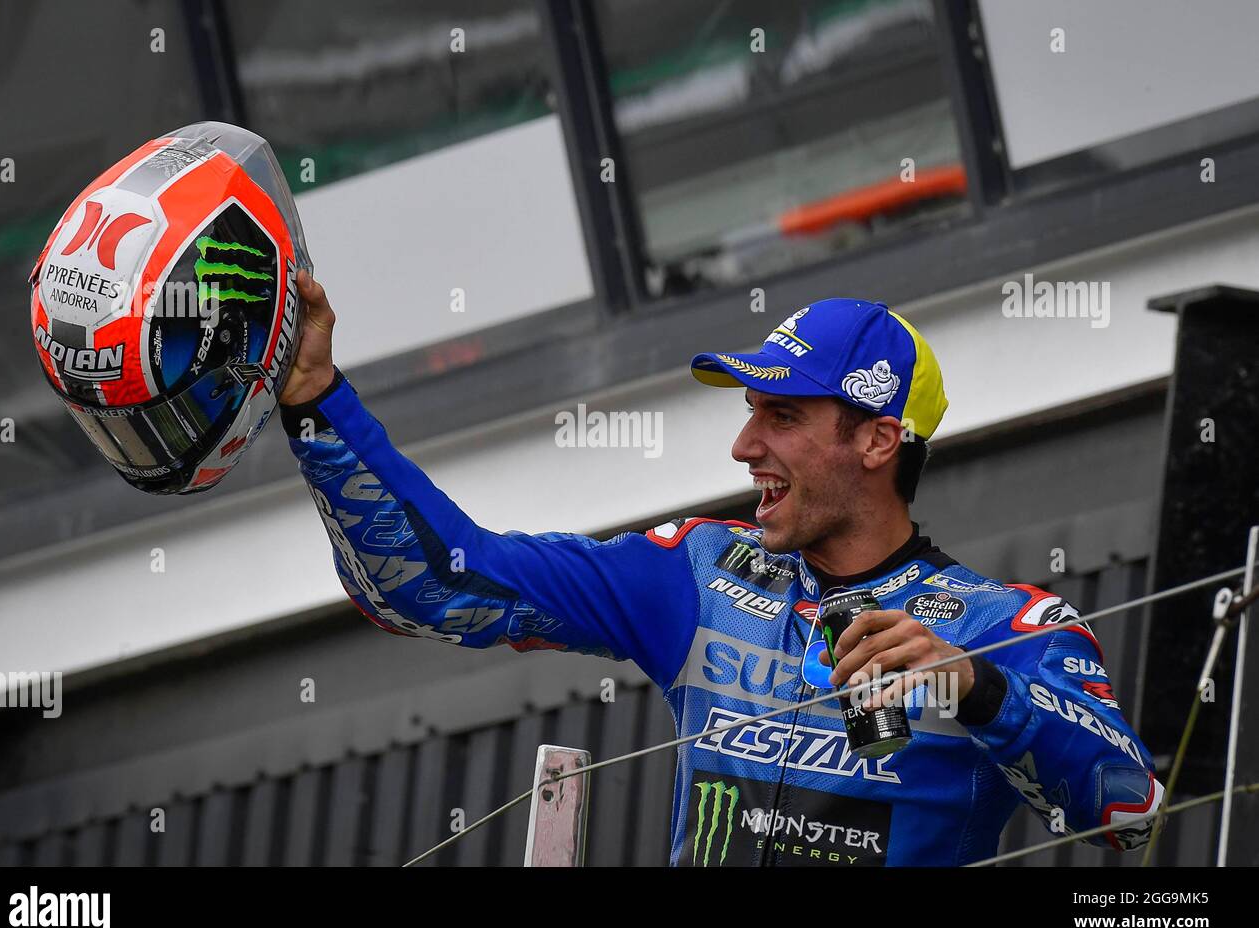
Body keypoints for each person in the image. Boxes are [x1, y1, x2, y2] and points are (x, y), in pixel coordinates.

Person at [280, 275, 1162, 867]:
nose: (745, 447)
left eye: (781, 414)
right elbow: (434, 584)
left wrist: (978, 691)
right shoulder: (700, 570)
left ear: (877, 439)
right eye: (749, 413)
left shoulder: (1000, 627)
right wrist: (320, 402)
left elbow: (1134, 818)